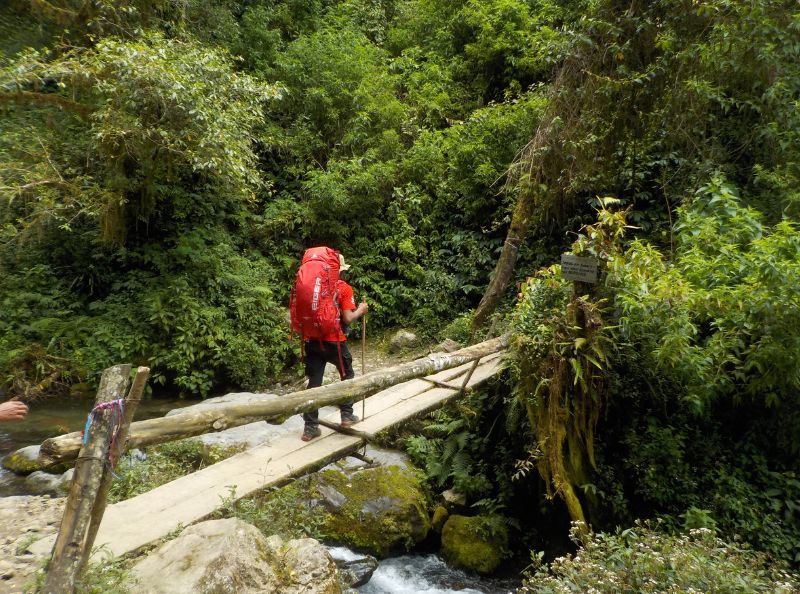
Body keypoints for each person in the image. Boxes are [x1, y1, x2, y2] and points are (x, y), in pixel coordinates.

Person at [301, 253, 368, 441]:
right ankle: (346, 416)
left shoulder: (315, 289)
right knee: (347, 377)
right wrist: (360, 311)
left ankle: (310, 427)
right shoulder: (344, 288)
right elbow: (347, 318)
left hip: (313, 341)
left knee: (314, 384)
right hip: (335, 342)